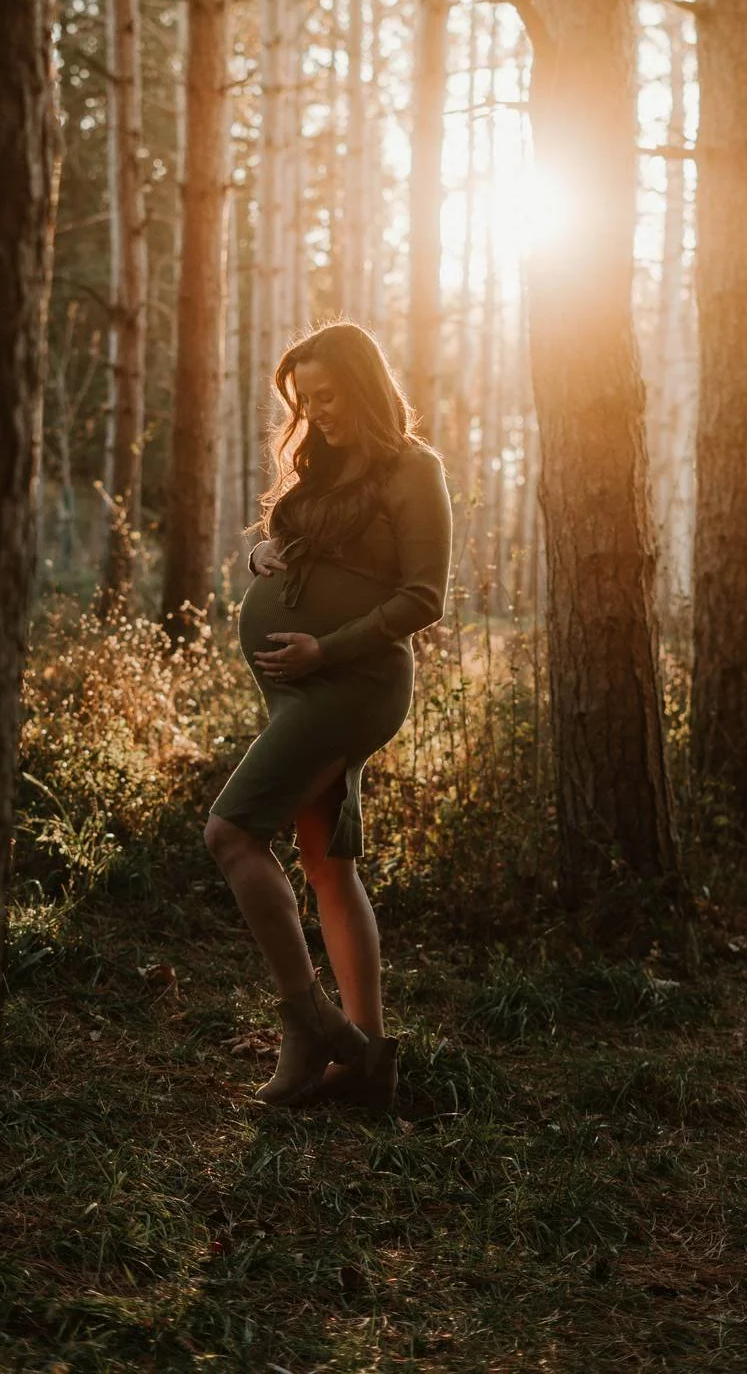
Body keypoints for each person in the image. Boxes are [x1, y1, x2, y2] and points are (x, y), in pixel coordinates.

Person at [204, 321, 453, 1112]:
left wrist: (326, 650)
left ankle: (308, 1022)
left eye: (330, 396)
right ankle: (368, 1063)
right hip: (301, 684)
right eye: (306, 400)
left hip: (357, 681)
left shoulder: (415, 469)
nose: (318, 412)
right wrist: (260, 560)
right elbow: (281, 545)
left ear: (365, 384)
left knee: (233, 834)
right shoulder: (321, 464)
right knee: (326, 863)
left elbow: (424, 596)